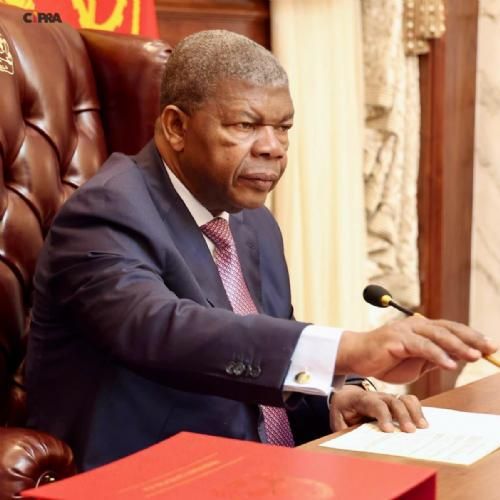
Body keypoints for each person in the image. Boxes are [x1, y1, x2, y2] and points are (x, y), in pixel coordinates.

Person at [26, 30, 496, 471]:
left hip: (265, 472)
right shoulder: (106, 211)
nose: (273, 148)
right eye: (246, 125)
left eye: (283, 127)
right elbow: (163, 330)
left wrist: (334, 399)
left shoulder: (253, 222)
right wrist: (349, 350)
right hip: (152, 477)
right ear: (176, 127)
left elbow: (257, 355)